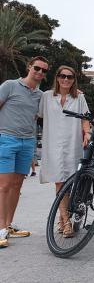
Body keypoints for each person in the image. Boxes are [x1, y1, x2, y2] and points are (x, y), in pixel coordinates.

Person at [0, 56, 49, 248]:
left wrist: (74, 93)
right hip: (6, 139)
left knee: (16, 186)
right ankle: (1, 227)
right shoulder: (10, 86)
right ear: (29, 67)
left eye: (44, 71)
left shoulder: (40, 95)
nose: (40, 72)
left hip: (27, 142)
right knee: (3, 186)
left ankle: (8, 225)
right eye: (37, 68)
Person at [38, 65, 90, 238]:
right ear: (57, 77)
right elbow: (33, 111)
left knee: (68, 182)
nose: (66, 79)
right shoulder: (46, 96)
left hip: (72, 144)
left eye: (70, 77)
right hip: (52, 144)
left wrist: (87, 133)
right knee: (60, 182)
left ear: (74, 80)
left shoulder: (79, 97)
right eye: (63, 76)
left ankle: (61, 219)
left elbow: (85, 118)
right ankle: (66, 222)